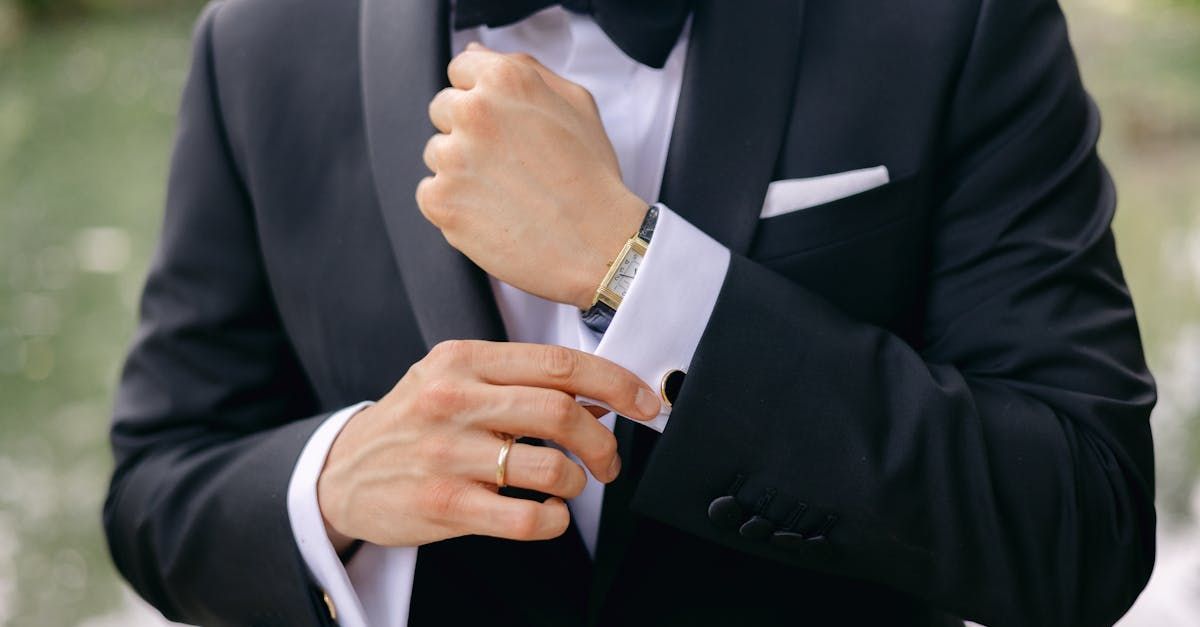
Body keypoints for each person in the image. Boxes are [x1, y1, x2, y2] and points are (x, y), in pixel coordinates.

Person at [102, 0, 1158, 625]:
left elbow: (1085, 523)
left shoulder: (956, 19)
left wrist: (639, 270)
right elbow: (159, 484)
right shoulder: (260, 37)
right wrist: (332, 483)